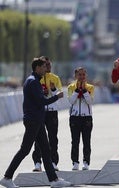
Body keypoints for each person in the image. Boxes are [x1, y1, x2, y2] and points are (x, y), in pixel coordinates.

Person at [0, 58, 71, 188]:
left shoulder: (33, 81)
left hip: (36, 120)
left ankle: (54, 180)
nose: (46, 69)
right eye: (44, 67)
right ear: (37, 68)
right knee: (25, 150)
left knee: (45, 150)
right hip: (33, 120)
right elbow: (41, 101)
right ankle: (7, 177)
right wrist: (57, 96)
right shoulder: (33, 82)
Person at [32, 56, 63, 172]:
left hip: (52, 112)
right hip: (40, 111)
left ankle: (53, 162)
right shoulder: (36, 78)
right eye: (45, 65)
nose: (48, 67)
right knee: (38, 137)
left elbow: (60, 94)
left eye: (49, 64)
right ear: (41, 66)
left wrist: (53, 89)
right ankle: (37, 163)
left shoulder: (55, 78)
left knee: (53, 137)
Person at [67, 67, 94, 170]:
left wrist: (85, 91)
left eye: (83, 75)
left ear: (86, 76)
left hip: (86, 118)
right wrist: (77, 90)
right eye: (79, 75)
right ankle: (75, 162)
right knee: (75, 141)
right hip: (74, 117)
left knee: (86, 141)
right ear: (75, 76)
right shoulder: (71, 87)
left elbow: (90, 101)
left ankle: (86, 162)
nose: (82, 77)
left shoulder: (90, 87)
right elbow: (71, 101)